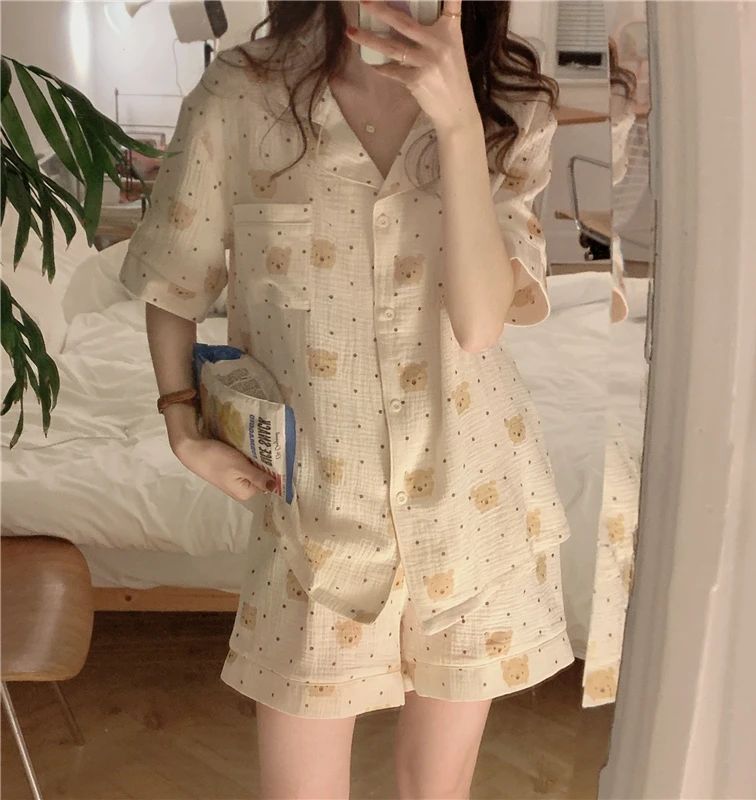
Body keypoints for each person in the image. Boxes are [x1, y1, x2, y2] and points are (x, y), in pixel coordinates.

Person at [120, 2, 574, 797]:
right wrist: (181, 424)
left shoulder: (509, 102)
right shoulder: (241, 94)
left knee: (435, 790)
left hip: (473, 501)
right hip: (314, 521)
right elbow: (172, 273)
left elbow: (479, 325)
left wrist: (458, 125)